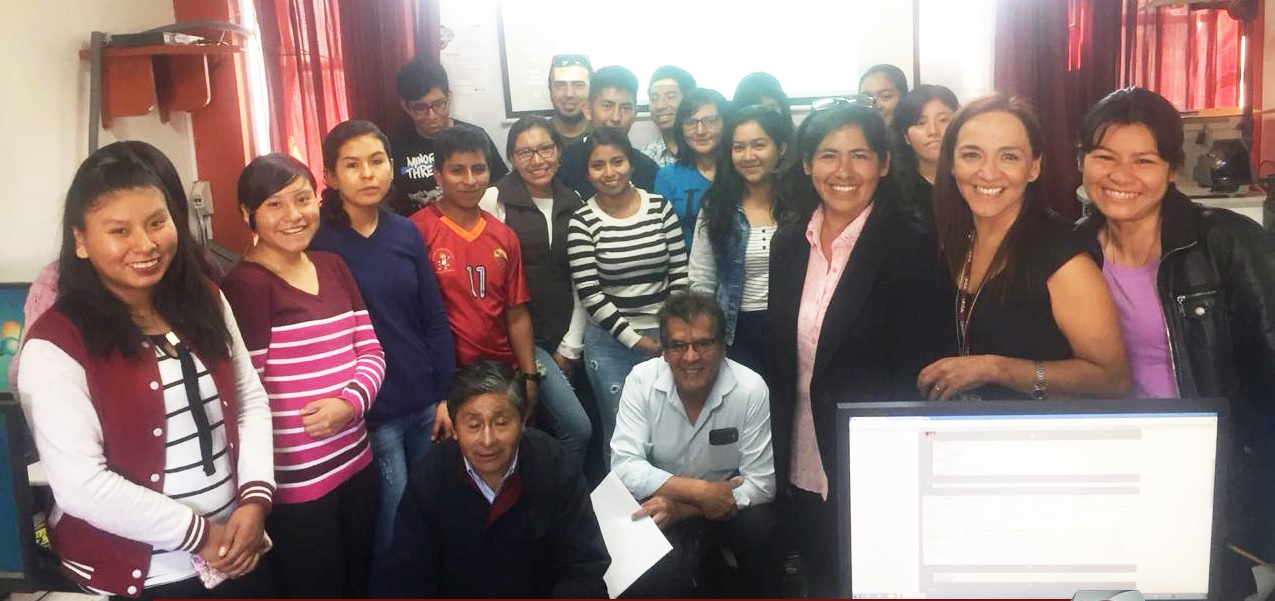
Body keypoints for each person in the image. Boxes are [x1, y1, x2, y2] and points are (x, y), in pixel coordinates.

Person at [17, 142, 275, 599]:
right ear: (80, 240)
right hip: (145, 579)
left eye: (157, 222)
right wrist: (200, 534)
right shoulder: (56, 342)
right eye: (119, 230)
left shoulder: (205, 298)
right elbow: (81, 485)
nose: (145, 244)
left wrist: (255, 500)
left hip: (237, 551)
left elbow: (249, 398)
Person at [1074, 87, 1275, 592]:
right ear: (1082, 162)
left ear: (1172, 170)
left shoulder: (1225, 242)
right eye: (1104, 157)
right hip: (1111, 473)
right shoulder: (1072, 249)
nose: (1121, 176)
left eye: (1143, 160)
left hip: (1208, 475)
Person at [767, 100, 943, 596]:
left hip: (876, 458)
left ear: (883, 164)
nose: (843, 171)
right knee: (822, 578)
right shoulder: (788, 243)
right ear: (807, 164)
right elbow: (782, 358)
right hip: (802, 450)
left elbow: (916, 364)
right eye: (828, 155)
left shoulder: (912, 245)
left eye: (859, 155)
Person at [221, 153, 385, 598]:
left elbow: (371, 351)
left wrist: (349, 403)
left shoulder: (333, 266)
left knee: (359, 582)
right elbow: (244, 395)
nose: (294, 215)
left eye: (302, 199)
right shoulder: (245, 286)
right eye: (274, 204)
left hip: (357, 462)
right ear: (247, 214)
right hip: (296, 488)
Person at [308, 120, 456, 582]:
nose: (368, 174)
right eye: (352, 165)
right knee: (393, 522)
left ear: (392, 166)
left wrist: (445, 395)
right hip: (372, 412)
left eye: (377, 161)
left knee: (431, 511)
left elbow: (433, 318)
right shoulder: (317, 243)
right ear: (331, 176)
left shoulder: (405, 232)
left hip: (424, 402)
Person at [916, 93, 1129, 403]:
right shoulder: (949, 238)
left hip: (1033, 430)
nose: (988, 172)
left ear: (1034, 167)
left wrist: (996, 369)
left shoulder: (1063, 258)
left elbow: (1113, 379)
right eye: (972, 155)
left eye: (1008, 156)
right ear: (951, 164)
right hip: (958, 427)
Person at [381, 361, 610, 598]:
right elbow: (407, 576)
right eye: (474, 425)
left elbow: (583, 565)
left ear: (523, 421)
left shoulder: (555, 464)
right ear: (455, 429)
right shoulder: (430, 476)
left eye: (501, 423)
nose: (488, 440)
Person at [612, 292, 778, 597]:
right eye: (677, 345)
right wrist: (700, 492)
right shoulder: (641, 380)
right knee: (654, 572)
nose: (690, 357)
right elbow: (624, 467)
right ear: (664, 352)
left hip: (723, 504)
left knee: (762, 529)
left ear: (723, 346)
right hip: (661, 502)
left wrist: (685, 507)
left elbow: (762, 484)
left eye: (703, 343)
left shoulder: (751, 388)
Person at [566, 127, 690, 465]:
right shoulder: (582, 221)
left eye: (617, 161)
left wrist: (670, 333)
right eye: (598, 165)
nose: (609, 172)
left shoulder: (659, 207)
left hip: (666, 337)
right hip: (610, 345)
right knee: (622, 437)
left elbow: (679, 273)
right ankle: (622, 501)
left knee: (669, 432)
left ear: (631, 163)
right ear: (587, 173)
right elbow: (590, 293)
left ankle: (670, 499)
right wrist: (636, 342)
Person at [409, 125, 541, 436]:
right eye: (457, 170)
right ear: (438, 175)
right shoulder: (416, 232)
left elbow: (516, 312)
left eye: (478, 169)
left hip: (501, 371)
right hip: (447, 376)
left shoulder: (504, 236)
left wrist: (530, 376)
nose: (470, 180)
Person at [478, 116, 592, 470]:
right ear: (511, 158)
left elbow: (581, 279)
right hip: (520, 339)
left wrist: (570, 346)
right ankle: (560, 494)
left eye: (545, 148)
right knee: (576, 428)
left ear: (559, 151)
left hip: (567, 336)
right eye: (525, 152)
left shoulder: (573, 200)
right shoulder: (494, 199)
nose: (537, 159)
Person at [689, 105, 792, 378]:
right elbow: (701, 280)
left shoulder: (799, 206)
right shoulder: (716, 206)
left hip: (791, 328)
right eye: (738, 147)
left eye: (759, 145)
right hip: (735, 330)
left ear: (781, 148)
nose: (748, 156)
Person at [390, 61, 508, 216]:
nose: (432, 116)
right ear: (406, 107)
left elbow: (500, 187)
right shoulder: (397, 148)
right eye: (420, 108)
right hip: (418, 228)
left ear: (449, 97)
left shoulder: (476, 137)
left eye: (438, 104)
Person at [559, 66, 661, 200]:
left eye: (626, 108)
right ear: (588, 110)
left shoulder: (647, 168)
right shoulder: (566, 161)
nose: (616, 117)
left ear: (635, 114)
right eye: (607, 106)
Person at [654, 88, 731, 246]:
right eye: (690, 122)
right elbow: (662, 237)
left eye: (711, 120)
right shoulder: (667, 177)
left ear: (725, 123)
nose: (700, 131)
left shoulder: (739, 170)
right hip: (683, 260)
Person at [891, 84, 959, 225]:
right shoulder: (893, 190)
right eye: (920, 123)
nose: (933, 131)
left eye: (943, 120)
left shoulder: (973, 178)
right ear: (906, 136)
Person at [640, 65, 698, 167]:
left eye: (670, 97)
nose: (660, 106)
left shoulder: (707, 150)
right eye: (654, 98)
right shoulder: (644, 157)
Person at [547, 54, 594, 144]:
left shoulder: (606, 136)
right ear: (550, 90)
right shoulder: (538, 136)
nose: (569, 94)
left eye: (578, 85)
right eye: (560, 85)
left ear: (591, 90)